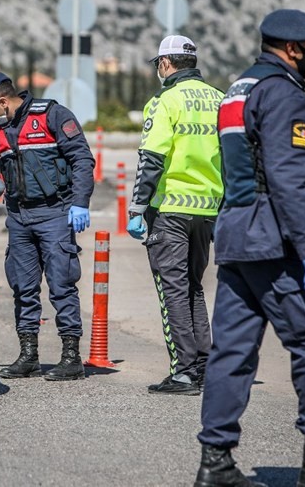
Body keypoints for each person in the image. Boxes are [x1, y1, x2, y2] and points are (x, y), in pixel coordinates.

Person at [194, 10, 305, 487]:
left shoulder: (237, 90)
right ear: (292, 49)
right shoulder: (284, 95)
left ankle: (216, 461)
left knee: (232, 352)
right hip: (275, 240)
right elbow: (289, 180)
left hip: (236, 237)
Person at [0, 72, 95, 381]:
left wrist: (80, 201)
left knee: (61, 284)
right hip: (20, 217)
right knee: (23, 287)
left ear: (3, 100)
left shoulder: (52, 116)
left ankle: (71, 356)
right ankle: (28, 356)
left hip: (55, 213)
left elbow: (81, 159)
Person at [126, 35, 224, 396]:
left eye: (157, 65)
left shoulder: (165, 101)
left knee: (173, 293)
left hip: (169, 210)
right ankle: (203, 365)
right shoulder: (218, 98)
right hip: (208, 209)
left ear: (166, 64)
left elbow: (151, 159)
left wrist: (137, 207)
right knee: (194, 287)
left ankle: (183, 371)